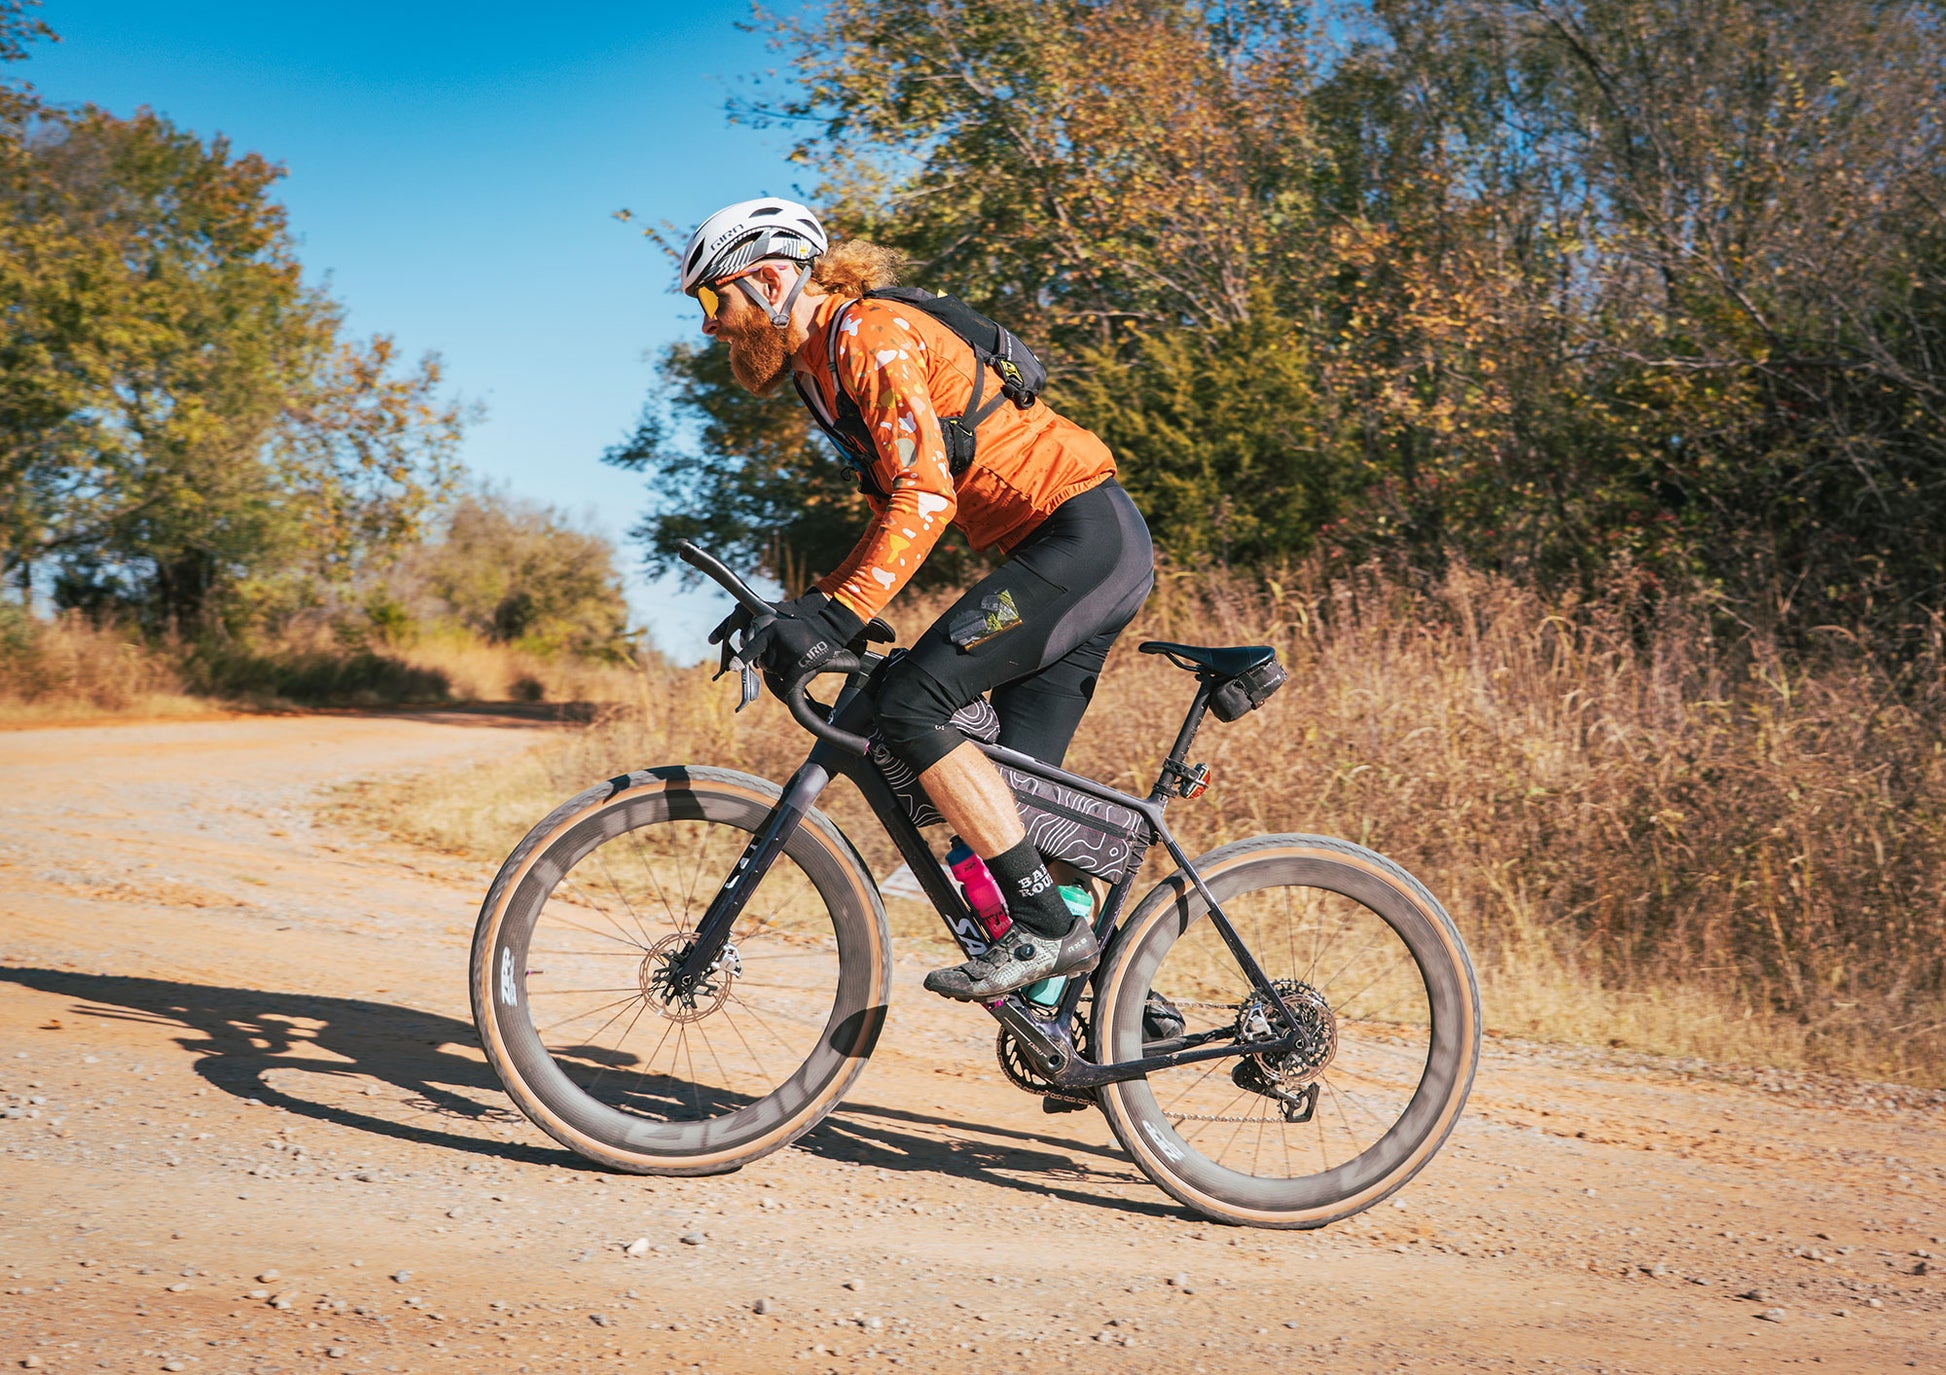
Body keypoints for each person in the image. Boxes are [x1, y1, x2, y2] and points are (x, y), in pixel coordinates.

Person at [679, 197, 1153, 1001]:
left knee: (914, 705)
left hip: (1082, 538)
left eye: (710, 299)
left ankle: (1046, 930)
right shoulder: (819, 372)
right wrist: (806, 604)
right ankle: (1112, 1008)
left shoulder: (866, 333)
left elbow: (924, 496)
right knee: (1011, 801)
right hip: (1056, 548)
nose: (708, 327)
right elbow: (888, 509)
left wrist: (836, 613)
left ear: (766, 279)